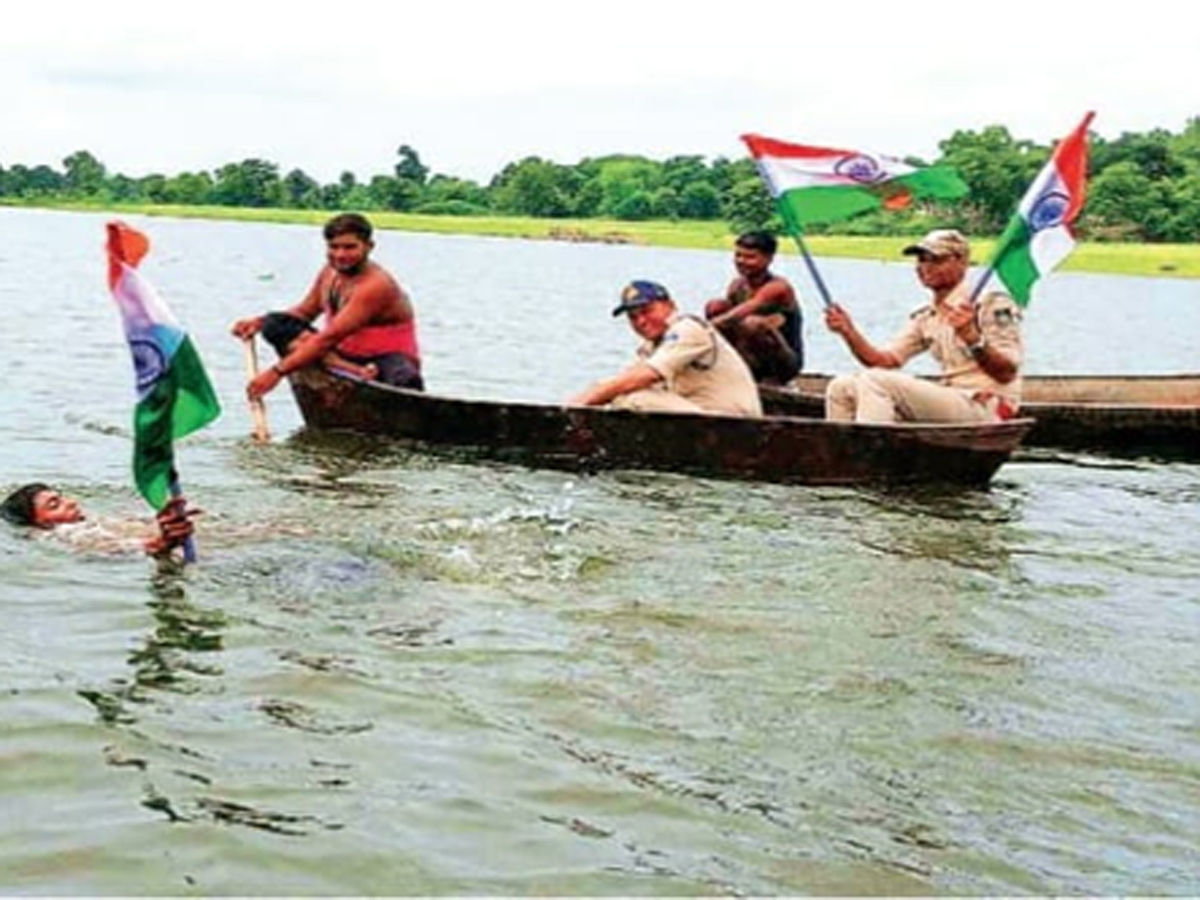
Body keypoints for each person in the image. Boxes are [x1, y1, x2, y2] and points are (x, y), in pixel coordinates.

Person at [823, 228, 1022, 424]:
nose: (926, 266)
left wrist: (972, 338)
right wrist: (848, 331)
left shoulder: (990, 304)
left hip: (987, 405)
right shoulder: (927, 315)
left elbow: (1007, 373)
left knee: (876, 381)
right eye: (921, 260)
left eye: (936, 260)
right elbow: (886, 360)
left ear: (962, 261)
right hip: (952, 397)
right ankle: (843, 454)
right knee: (841, 386)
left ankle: (871, 450)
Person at [230, 213, 423, 400]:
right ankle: (347, 369)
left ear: (369, 247)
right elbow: (305, 312)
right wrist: (258, 322)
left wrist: (276, 373)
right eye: (334, 247)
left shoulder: (376, 285)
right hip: (342, 355)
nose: (340, 255)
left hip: (386, 359)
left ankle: (358, 374)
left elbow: (327, 339)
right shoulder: (330, 271)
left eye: (350, 247)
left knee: (404, 379)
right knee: (275, 323)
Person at [569, 280, 762, 417]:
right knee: (612, 390)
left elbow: (645, 377)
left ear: (670, 306)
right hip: (704, 416)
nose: (641, 321)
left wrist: (580, 405)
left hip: (734, 422)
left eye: (646, 311)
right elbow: (626, 379)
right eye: (633, 317)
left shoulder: (687, 329)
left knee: (636, 400)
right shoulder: (651, 347)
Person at [704, 231, 803, 384]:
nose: (742, 261)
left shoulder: (778, 287)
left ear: (769, 259)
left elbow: (739, 314)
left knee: (753, 324)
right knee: (715, 306)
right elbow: (726, 323)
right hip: (748, 355)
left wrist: (700, 329)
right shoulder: (737, 286)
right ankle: (735, 368)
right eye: (738, 255)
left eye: (750, 257)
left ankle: (773, 380)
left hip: (782, 363)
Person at [1, 483, 195, 558]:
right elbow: (112, 547)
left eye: (62, 497)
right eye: (54, 505)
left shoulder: (86, 521)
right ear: (39, 523)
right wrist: (162, 542)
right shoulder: (64, 534)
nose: (71, 503)